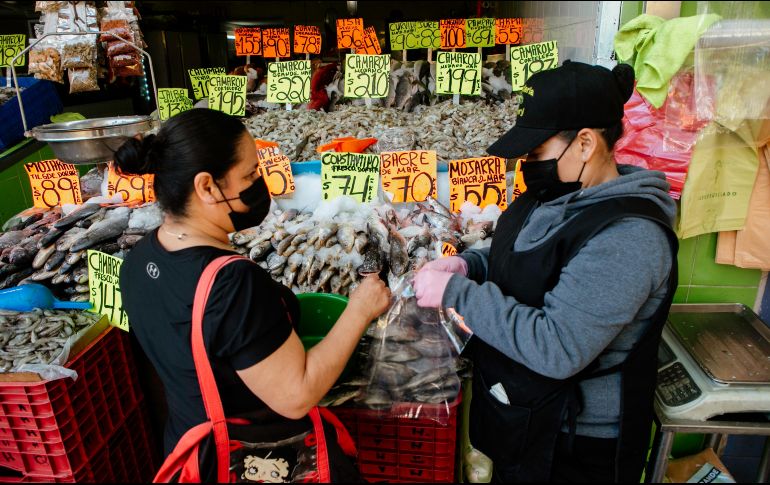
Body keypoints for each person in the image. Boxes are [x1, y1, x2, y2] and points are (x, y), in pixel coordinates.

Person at [412, 61, 679, 483]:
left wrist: (459, 294)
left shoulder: (628, 237)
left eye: (536, 152)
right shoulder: (557, 192)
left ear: (586, 143)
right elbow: (523, 256)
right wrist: (470, 263)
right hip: (525, 417)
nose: (527, 163)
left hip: (574, 444)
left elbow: (558, 347)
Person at [116, 109, 390, 467]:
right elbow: (296, 395)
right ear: (206, 187)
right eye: (249, 174)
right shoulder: (231, 284)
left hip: (190, 450)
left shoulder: (139, 258)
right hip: (252, 461)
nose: (261, 182)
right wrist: (360, 309)